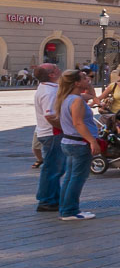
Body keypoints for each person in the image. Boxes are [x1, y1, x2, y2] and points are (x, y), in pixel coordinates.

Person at [54, 70, 100, 220]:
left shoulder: (67, 98)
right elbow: (78, 123)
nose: (88, 79)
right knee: (77, 178)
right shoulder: (77, 101)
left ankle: (65, 208)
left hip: (69, 142)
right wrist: (92, 141)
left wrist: (89, 86)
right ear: (76, 83)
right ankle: (70, 210)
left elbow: (92, 95)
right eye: (84, 78)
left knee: (70, 177)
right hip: (79, 143)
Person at [32, 64, 63, 212]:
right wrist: (64, 128)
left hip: (50, 133)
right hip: (52, 133)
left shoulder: (49, 87)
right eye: (55, 67)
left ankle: (54, 198)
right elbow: (50, 115)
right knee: (52, 168)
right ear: (51, 74)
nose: (59, 68)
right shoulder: (48, 92)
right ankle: (46, 200)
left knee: (54, 168)